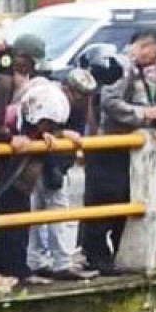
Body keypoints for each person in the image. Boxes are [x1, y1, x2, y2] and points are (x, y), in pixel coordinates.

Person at [82, 29, 156, 276]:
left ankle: (113, 255)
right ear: (145, 46)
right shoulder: (120, 66)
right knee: (104, 201)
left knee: (125, 201)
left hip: (128, 147)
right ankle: (96, 256)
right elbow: (110, 103)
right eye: (155, 55)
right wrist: (144, 113)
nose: (155, 61)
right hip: (108, 145)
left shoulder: (144, 73)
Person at [0, 34, 49, 286]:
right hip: (4, 159)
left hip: (12, 158)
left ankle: (13, 267)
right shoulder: (3, 82)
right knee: (10, 212)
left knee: (14, 214)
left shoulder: (14, 81)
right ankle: (11, 269)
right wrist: (11, 137)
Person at [26, 70, 97, 281]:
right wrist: (62, 135)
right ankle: (60, 263)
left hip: (54, 162)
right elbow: (39, 129)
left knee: (40, 211)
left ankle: (38, 260)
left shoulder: (76, 105)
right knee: (52, 211)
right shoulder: (52, 100)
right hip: (42, 161)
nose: (78, 98)